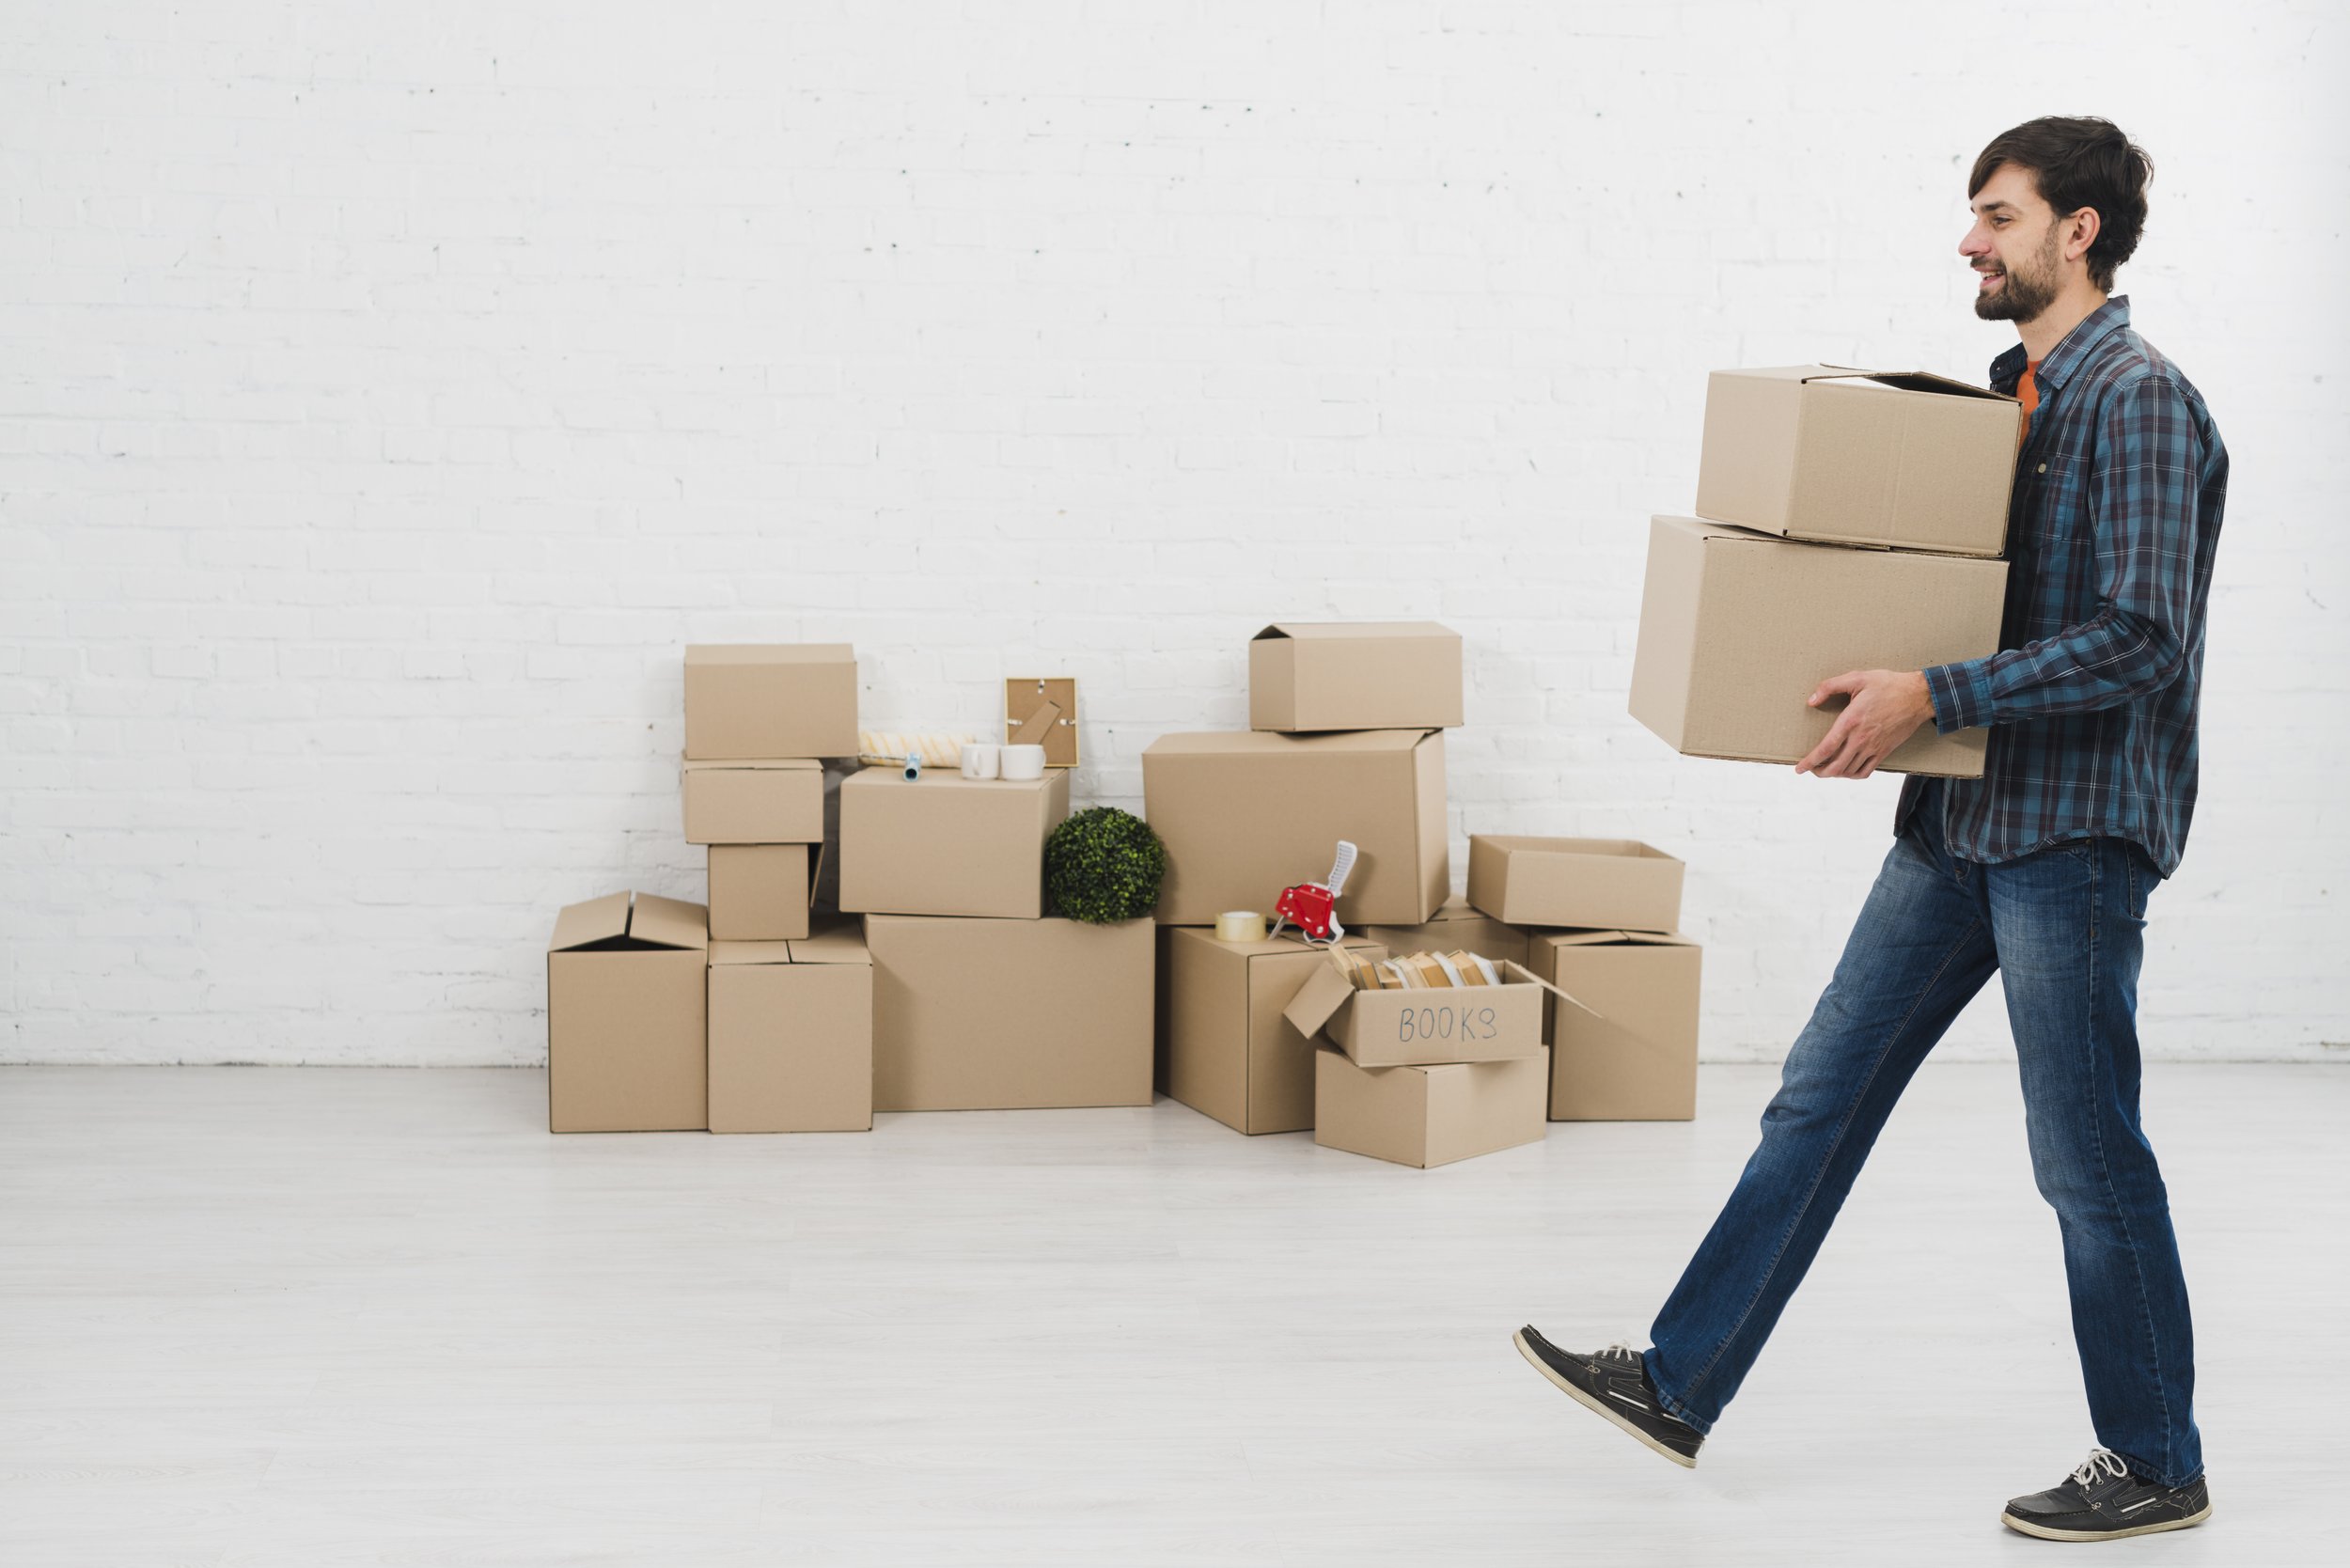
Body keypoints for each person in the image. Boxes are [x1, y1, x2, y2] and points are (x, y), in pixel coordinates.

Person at [1515, 116, 2226, 1544]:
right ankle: (1679, 1379)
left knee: (2084, 1155)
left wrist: (1933, 691)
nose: (1970, 239)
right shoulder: (2009, 396)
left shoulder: (2137, 399)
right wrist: (1880, 684)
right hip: (1959, 825)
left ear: (2076, 231)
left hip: (2072, 837)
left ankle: (2156, 1460)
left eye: (1997, 214)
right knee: (1818, 1097)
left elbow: (2145, 637)